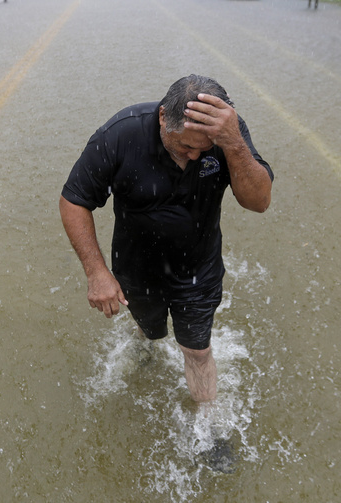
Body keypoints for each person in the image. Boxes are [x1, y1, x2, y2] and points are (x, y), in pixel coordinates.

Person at [59, 74, 273, 404]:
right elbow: (74, 200)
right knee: (149, 330)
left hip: (198, 269)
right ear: (163, 117)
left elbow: (258, 202)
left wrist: (232, 145)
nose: (195, 157)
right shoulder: (122, 134)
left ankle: (208, 426)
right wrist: (96, 272)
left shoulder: (227, 134)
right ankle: (147, 340)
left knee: (198, 351)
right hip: (136, 269)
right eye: (185, 146)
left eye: (205, 149)